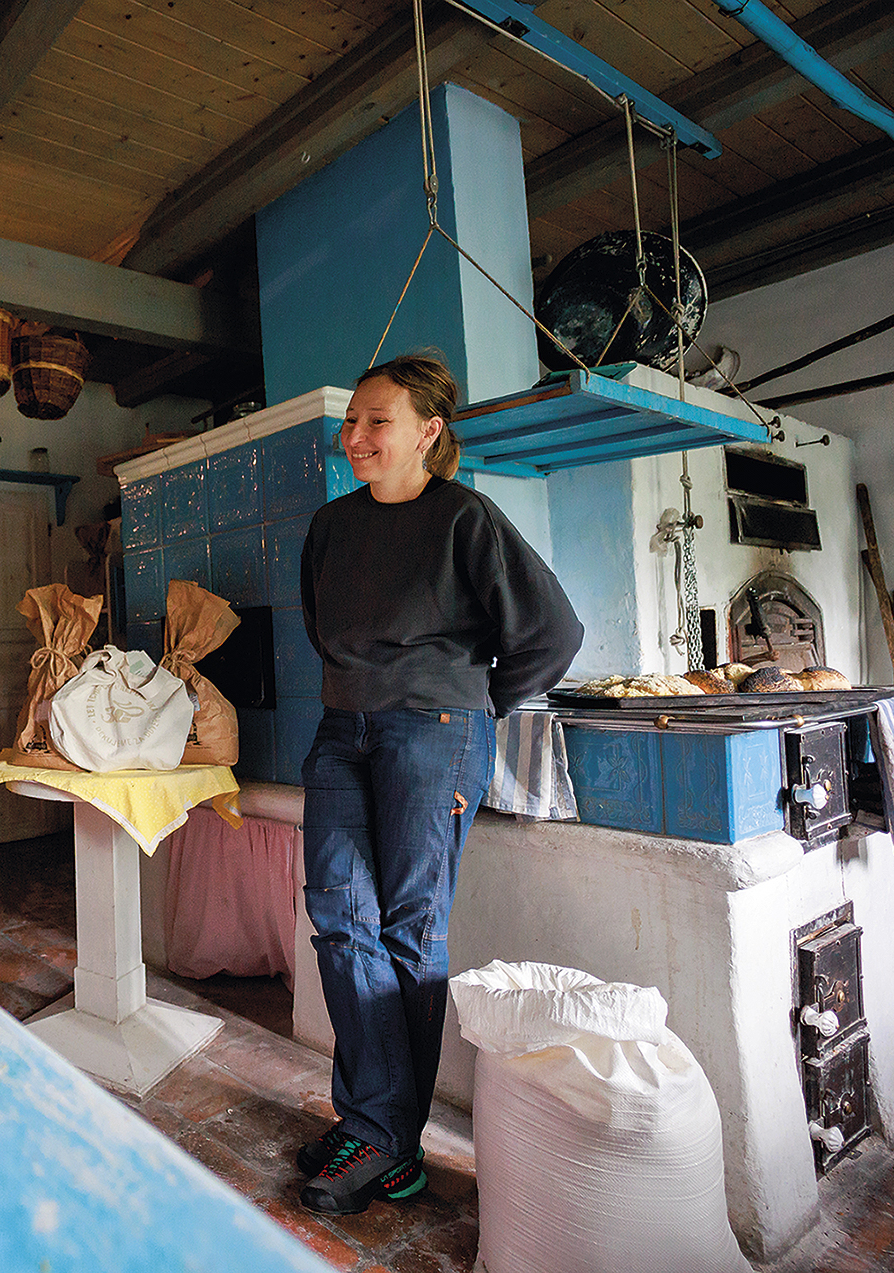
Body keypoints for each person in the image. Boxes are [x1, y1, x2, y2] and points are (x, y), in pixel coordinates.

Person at [294, 353, 581, 1215]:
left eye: (375, 421)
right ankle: (383, 1131)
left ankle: (381, 1136)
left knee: (411, 929)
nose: (355, 437)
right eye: (352, 422)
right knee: (341, 916)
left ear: (428, 430)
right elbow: (324, 628)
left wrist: (471, 703)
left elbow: (553, 632)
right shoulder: (330, 528)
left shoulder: (467, 519)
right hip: (343, 731)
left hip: (438, 734)